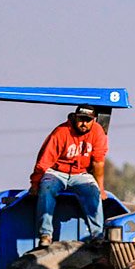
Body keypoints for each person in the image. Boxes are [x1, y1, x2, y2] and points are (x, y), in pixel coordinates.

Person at [30, 105, 108, 246]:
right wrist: (35, 183)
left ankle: (97, 236)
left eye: (87, 120)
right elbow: (44, 160)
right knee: (46, 188)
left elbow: (98, 163)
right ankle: (46, 234)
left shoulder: (97, 132)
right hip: (56, 172)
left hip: (81, 173)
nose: (84, 123)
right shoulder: (61, 132)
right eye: (81, 119)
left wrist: (101, 189)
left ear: (94, 120)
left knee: (93, 192)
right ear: (74, 117)